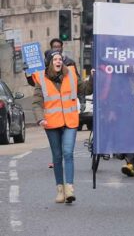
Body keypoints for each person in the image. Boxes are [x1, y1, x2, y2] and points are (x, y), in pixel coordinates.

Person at [32, 50, 93, 203]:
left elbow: (86, 89)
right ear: (50, 63)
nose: (58, 61)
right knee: (57, 157)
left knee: (68, 153)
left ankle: (69, 188)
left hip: (70, 122)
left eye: (60, 59)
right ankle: (60, 190)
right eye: (55, 59)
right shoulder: (41, 78)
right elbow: (36, 103)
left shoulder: (71, 74)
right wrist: (40, 119)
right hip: (51, 123)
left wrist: (93, 77)